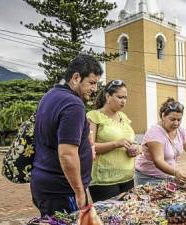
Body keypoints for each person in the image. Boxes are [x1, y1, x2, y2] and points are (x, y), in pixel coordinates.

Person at [30, 54, 103, 216]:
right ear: (76, 78)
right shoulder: (73, 104)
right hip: (62, 190)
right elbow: (67, 154)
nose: (95, 89)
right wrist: (79, 192)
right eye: (92, 83)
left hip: (44, 184)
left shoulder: (50, 95)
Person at [135, 98, 186, 185]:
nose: (176, 123)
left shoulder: (180, 130)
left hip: (169, 176)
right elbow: (158, 161)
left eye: (179, 120)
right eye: (172, 119)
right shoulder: (154, 133)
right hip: (149, 178)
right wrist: (176, 173)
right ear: (163, 116)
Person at [87, 80, 139, 202]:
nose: (123, 101)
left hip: (127, 178)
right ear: (108, 96)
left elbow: (132, 141)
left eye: (125, 97)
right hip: (104, 181)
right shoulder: (94, 116)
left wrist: (136, 149)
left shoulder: (124, 117)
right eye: (120, 97)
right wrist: (115, 144)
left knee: (128, 216)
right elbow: (89, 147)